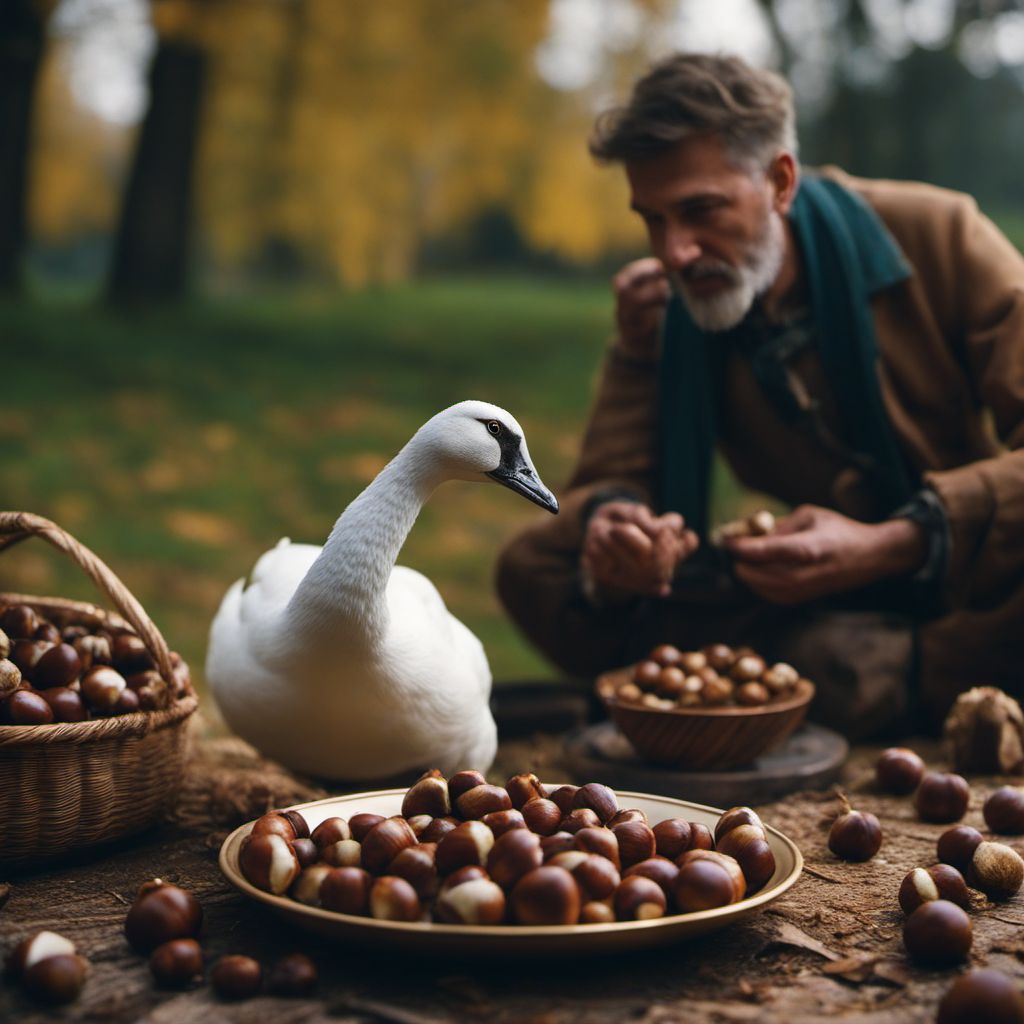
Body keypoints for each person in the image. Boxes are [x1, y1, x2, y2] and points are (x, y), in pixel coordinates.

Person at [495, 52, 1024, 738]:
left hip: (970, 565)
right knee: (533, 567)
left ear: (779, 181)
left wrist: (895, 541)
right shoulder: (663, 307)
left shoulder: (942, 233)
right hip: (803, 590)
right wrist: (621, 536)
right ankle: (852, 675)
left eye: (699, 210)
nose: (674, 251)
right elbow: (611, 477)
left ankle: (880, 674)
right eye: (652, 219)